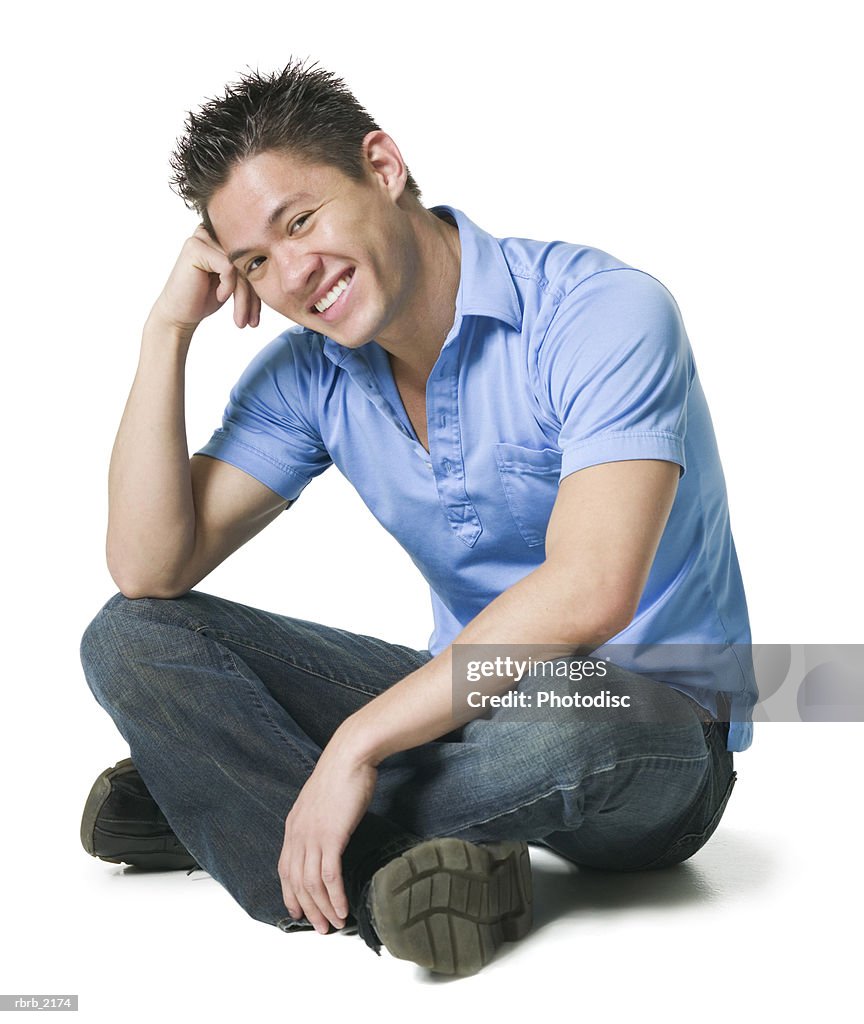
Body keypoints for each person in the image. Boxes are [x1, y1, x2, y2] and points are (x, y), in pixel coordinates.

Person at [79, 60, 756, 977]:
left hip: (648, 715)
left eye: (300, 221)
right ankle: (399, 881)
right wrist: (166, 332)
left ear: (384, 165)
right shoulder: (310, 375)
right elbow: (148, 569)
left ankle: (229, 800)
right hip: (458, 708)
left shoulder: (599, 312)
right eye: (253, 262)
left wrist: (352, 745)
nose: (291, 276)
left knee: (567, 725)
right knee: (129, 638)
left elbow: (593, 589)